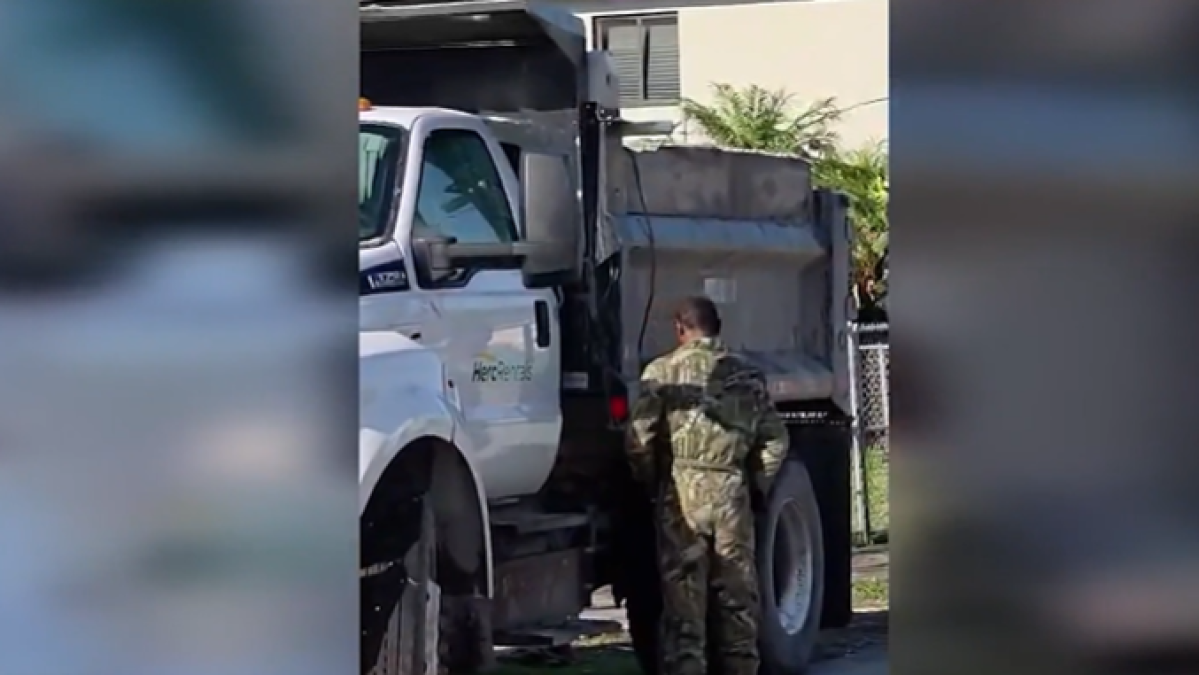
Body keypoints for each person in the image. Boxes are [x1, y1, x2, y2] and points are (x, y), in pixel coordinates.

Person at [626, 296, 790, 675]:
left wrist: (654, 482)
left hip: (681, 496)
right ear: (717, 327)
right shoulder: (747, 376)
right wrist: (755, 482)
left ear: (680, 329)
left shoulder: (662, 373)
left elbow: (639, 440)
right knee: (737, 600)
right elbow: (775, 439)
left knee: (684, 603)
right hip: (732, 493)